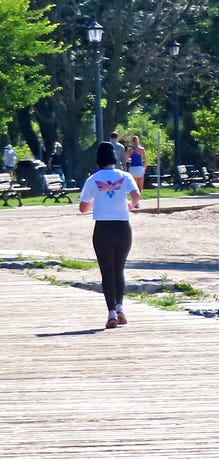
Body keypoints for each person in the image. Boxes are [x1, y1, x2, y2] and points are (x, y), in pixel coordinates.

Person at [78, 141, 141, 329]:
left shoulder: (93, 179)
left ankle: (111, 312)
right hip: (123, 227)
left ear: (98, 159)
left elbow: (83, 207)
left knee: (106, 271)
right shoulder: (125, 176)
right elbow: (136, 195)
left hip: (103, 229)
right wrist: (130, 205)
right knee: (119, 269)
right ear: (115, 158)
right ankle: (121, 307)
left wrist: (95, 202)